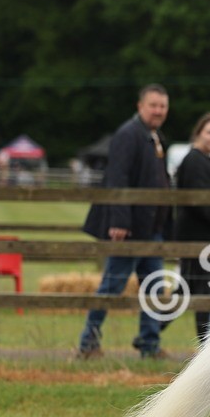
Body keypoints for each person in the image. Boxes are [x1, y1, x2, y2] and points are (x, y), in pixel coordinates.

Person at [77, 84, 172, 360]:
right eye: (153, 105)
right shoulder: (127, 135)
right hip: (128, 229)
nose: (158, 111)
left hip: (151, 229)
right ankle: (88, 344)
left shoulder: (154, 137)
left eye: (163, 106)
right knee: (112, 285)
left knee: (155, 286)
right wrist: (119, 220)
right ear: (140, 106)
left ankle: (149, 344)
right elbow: (117, 179)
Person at [173, 113, 210, 343]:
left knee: (189, 288)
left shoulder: (206, 160)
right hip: (195, 235)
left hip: (203, 235)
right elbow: (200, 200)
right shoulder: (195, 160)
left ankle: (151, 332)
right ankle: (206, 342)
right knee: (199, 290)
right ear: (199, 133)